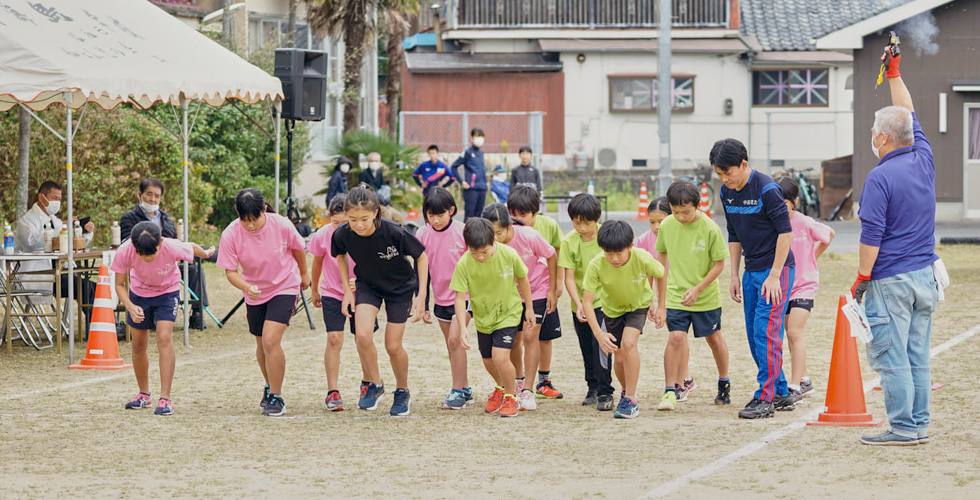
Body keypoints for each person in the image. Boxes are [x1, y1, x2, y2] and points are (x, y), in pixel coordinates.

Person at [852, 48, 940, 446]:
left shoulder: (879, 178)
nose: (872, 136)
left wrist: (861, 278)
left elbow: (871, 237)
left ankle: (903, 427)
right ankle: (918, 425)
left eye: (874, 131)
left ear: (883, 137)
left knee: (893, 358)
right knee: (918, 355)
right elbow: (908, 111)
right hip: (924, 276)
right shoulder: (923, 157)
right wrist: (894, 73)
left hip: (891, 280)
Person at [712, 138, 797, 419]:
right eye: (719, 175)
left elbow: (785, 232)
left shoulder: (767, 190)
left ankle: (765, 397)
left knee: (765, 333)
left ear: (744, 164)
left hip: (777, 270)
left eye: (729, 173)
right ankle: (782, 392)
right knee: (754, 335)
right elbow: (734, 234)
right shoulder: (727, 193)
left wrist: (774, 275)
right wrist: (734, 274)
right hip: (751, 271)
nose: (725, 180)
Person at [332, 185, 428, 416]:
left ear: (375, 212)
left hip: (400, 289)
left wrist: (422, 295)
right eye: (352, 219)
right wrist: (347, 290)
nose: (358, 225)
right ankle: (375, 385)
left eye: (364, 218)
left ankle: (402, 391)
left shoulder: (394, 231)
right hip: (368, 286)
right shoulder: (342, 234)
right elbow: (341, 256)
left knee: (392, 345)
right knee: (362, 335)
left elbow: (421, 256)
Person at [216, 189, 311, 417]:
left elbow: (298, 249)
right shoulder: (231, 234)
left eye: (254, 219)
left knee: (270, 340)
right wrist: (246, 287)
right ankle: (269, 386)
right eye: (244, 220)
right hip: (255, 291)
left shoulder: (282, 224)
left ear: (264, 210)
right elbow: (231, 272)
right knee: (261, 344)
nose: (250, 225)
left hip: (284, 285)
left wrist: (304, 274)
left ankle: (277, 397)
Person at [112, 222, 214, 416]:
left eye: (151, 253)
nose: (147, 258)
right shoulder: (125, 250)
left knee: (164, 338)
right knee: (138, 345)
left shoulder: (171, 246)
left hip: (168, 293)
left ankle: (165, 398)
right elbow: (119, 284)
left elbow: (191, 247)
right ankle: (144, 394)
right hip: (139, 295)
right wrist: (131, 306)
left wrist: (206, 253)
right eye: (142, 254)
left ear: (160, 243)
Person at [652, 182, 732, 411]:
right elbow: (661, 260)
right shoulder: (667, 225)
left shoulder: (710, 228)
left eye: (686, 212)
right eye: (676, 212)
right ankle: (670, 391)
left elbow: (719, 265)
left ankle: (724, 383)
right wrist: (660, 300)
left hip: (705, 298)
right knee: (675, 339)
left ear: (698, 206)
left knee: (714, 340)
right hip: (677, 296)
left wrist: (697, 289)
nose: (681, 217)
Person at [450, 218, 535, 418]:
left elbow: (523, 278)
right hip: (483, 316)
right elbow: (460, 298)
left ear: (494, 241)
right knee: (488, 360)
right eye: (474, 252)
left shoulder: (509, 254)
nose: (479, 257)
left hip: (508, 313)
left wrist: (529, 308)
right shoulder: (464, 263)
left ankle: (510, 397)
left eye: (485, 252)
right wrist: (463, 327)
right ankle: (502, 387)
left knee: (500, 357)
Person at [582, 221, 665, 418]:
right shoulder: (596, 264)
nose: (614, 258)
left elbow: (661, 274)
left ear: (630, 247)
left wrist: (660, 305)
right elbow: (587, 302)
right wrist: (598, 333)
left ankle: (631, 399)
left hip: (638, 305)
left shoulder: (642, 258)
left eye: (619, 253)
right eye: (609, 253)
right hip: (612, 310)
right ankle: (626, 391)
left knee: (629, 343)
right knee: (618, 356)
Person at [482, 203, 557, 411]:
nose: (495, 237)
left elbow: (551, 255)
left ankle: (529, 391)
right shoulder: (487, 244)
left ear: (509, 226)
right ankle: (518, 381)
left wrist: (552, 289)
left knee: (530, 336)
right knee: (514, 340)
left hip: (537, 290)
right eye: (491, 233)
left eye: (499, 232)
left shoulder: (529, 236)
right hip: (510, 295)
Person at [309, 194, 379, 412]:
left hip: (363, 293)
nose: (340, 227)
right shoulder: (322, 235)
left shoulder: (364, 232)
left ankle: (368, 384)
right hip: (332, 292)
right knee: (333, 338)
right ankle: (333, 392)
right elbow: (317, 261)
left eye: (344, 222)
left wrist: (363, 281)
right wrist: (314, 288)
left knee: (363, 339)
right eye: (335, 222)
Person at [119, 177, 208, 330]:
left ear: (161, 198)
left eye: (157, 196)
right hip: (141, 266)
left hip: (167, 267)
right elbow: (128, 242)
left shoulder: (166, 219)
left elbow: (172, 242)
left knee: (195, 270)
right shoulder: (129, 218)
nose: (152, 199)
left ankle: (197, 313)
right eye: (149, 194)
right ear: (139, 195)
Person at [414, 187, 473, 410]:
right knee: (452, 347)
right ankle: (465, 389)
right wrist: (423, 301)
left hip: (464, 297)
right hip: (440, 299)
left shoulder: (464, 231)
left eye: (441, 214)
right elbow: (422, 271)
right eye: (431, 215)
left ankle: (456, 392)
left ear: (452, 211)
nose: (436, 220)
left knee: (455, 341)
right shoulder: (422, 234)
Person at [777, 177, 835, 399]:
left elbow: (829, 235)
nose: (780, 208)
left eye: (784, 203)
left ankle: (794, 386)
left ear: (795, 200)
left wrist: (812, 258)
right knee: (788, 334)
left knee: (794, 332)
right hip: (784, 286)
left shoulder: (805, 222)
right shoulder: (774, 222)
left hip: (805, 285)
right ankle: (805, 379)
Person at [559, 193, 615, 410]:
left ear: (598, 218)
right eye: (576, 222)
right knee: (586, 347)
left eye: (587, 223)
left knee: (600, 344)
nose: (582, 228)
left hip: (603, 302)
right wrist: (578, 302)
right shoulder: (569, 241)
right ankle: (591, 387)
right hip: (580, 304)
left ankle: (605, 391)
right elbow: (569, 277)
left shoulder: (606, 236)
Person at [14, 181, 96, 330]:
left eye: (59, 199)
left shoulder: (55, 220)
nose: (57, 202)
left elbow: (68, 241)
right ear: (41, 197)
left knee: (93, 286)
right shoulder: (26, 221)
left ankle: (105, 326)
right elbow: (32, 243)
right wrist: (63, 228)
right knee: (82, 285)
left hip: (56, 273)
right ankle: (98, 328)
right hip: (35, 276)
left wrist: (84, 232)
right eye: (54, 198)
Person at [507, 185, 564, 399]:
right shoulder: (506, 229)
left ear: (535, 213)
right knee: (516, 337)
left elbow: (556, 253)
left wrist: (556, 285)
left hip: (541, 288)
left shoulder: (548, 225)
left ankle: (543, 380)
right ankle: (520, 380)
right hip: (515, 293)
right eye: (513, 213)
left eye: (523, 214)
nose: (517, 218)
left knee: (542, 336)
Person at [636, 196, 695, 400]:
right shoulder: (644, 240)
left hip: (680, 293)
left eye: (660, 221)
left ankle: (682, 381)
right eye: (652, 222)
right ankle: (685, 377)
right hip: (663, 295)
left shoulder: (679, 234)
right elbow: (645, 273)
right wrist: (650, 299)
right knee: (675, 336)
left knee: (678, 336)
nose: (656, 226)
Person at [451, 128, 488, 220]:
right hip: (471, 189)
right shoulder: (467, 152)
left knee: (479, 216)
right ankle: (465, 234)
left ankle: (478, 234)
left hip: (482, 188)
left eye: (481, 136)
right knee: (469, 216)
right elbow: (454, 167)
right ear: (471, 138)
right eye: (477, 136)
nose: (479, 139)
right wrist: (462, 181)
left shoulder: (481, 153)